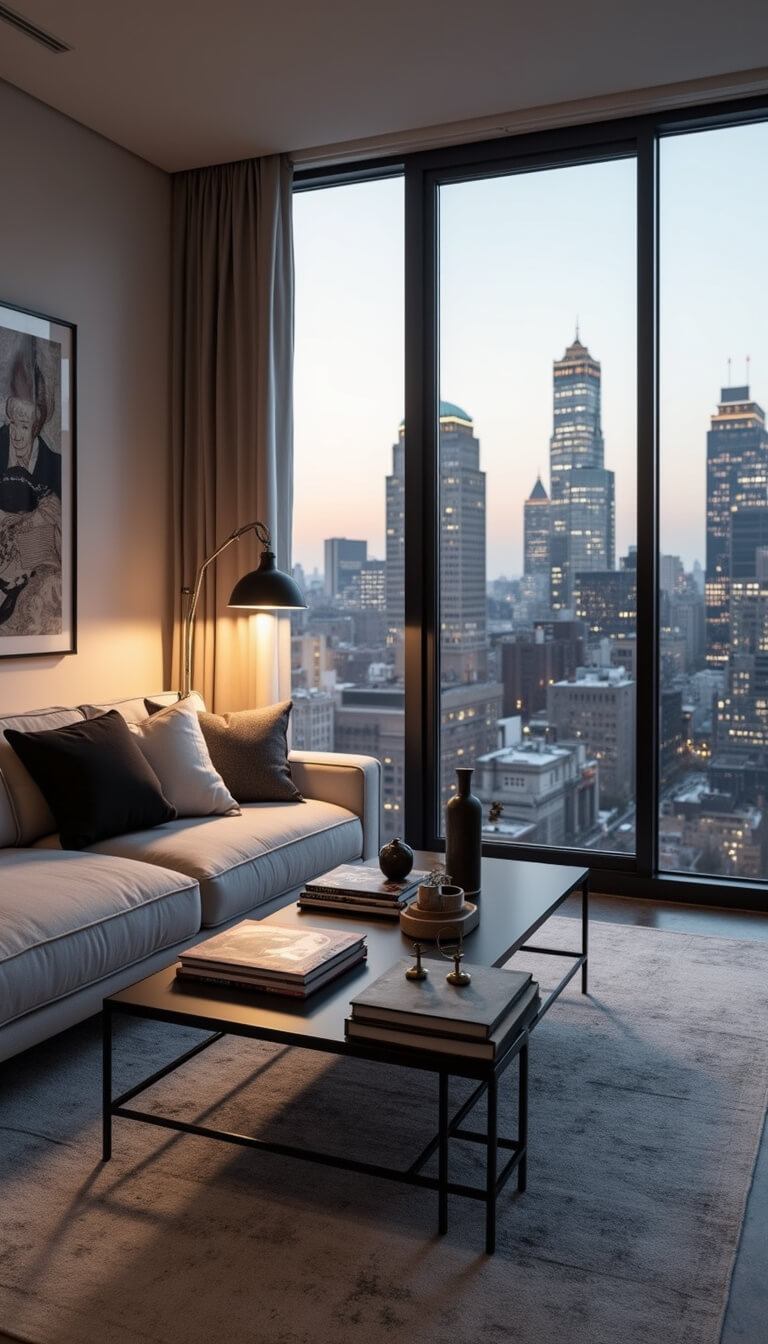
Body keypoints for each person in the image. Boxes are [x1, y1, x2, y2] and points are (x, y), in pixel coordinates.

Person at [0, 339, 62, 628]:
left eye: (24, 427)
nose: (15, 434)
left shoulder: (56, 467)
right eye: (13, 423)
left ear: (36, 427)